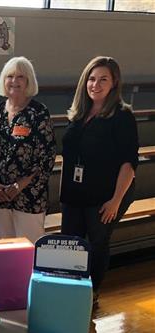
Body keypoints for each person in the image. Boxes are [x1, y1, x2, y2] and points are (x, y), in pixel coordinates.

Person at [60, 56, 138, 303]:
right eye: (91, 79)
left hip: (106, 194)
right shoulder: (79, 113)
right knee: (70, 242)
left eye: (103, 79)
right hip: (75, 193)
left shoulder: (122, 116)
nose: (95, 84)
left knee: (97, 242)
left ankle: (91, 293)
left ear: (114, 83)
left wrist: (116, 200)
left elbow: (129, 163)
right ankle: (71, 288)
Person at [0, 56, 56, 244]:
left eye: (20, 77)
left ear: (29, 81)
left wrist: (18, 186)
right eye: (10, 76)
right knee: (4, 250)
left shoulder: (38, 113)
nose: (14, 81)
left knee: (28, 250)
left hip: (29, 197)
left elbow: (46, 157)